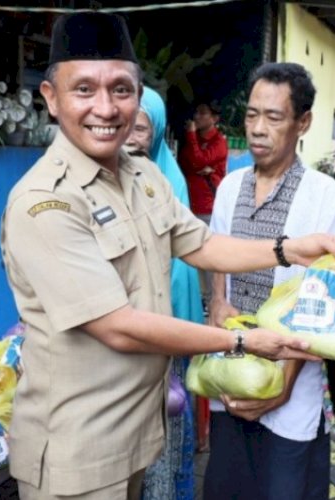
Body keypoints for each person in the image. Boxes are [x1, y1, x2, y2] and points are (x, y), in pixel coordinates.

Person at [0, 13, 335, 500]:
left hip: (139, 434)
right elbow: (117, 326)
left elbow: (202, 244)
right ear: (51, 99)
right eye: (84, 89)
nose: (106, 107)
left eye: (121, 90)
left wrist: (287, 248)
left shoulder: (142, 177)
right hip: (77, 447)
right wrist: (242, 344)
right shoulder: (45, 203)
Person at [203, 62, 335, 500]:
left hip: (290, 379)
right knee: (228, 486)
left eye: (274, 117)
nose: (258, 129)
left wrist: (282, 387)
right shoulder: (230, 185)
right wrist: (215, 299)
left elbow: (322, 301)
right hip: (230, 367)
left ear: (302, 122)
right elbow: (214, 254)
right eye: (251, 115)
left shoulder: (324, 194)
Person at [125, 86, 202, 500]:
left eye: (142, 127)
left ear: (155, 132)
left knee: (168, 431)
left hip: (167, 327)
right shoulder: (113, 178)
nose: (132, 136)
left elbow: (181, 265)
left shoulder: (167, 181)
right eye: (127, 126)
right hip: (130, 331)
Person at [179, 98, 228, 306]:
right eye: (196, 113)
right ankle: (197, 299)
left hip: (208, 205)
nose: (197, 117)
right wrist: (198, 162)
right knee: (189, 255)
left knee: (207, 255)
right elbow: (185, 163)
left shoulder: (219, 142)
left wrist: (191, 138)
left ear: (215, 118)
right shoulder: (194, 139)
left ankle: (212, 301)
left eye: (202, 113)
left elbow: (198, 161)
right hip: (189, 203)